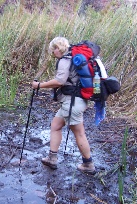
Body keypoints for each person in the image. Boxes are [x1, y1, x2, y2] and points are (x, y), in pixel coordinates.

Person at [31, 36, 95, 174]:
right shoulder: (74, 57)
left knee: (79, 133)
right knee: (55, 126)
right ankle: (52, 158)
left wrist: (39, 86)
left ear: (57, 48)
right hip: (74, 101)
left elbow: (60, 81)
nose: (53, 54)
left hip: (72, 102)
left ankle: (88, 164)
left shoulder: (65, 60)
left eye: (53, 50)